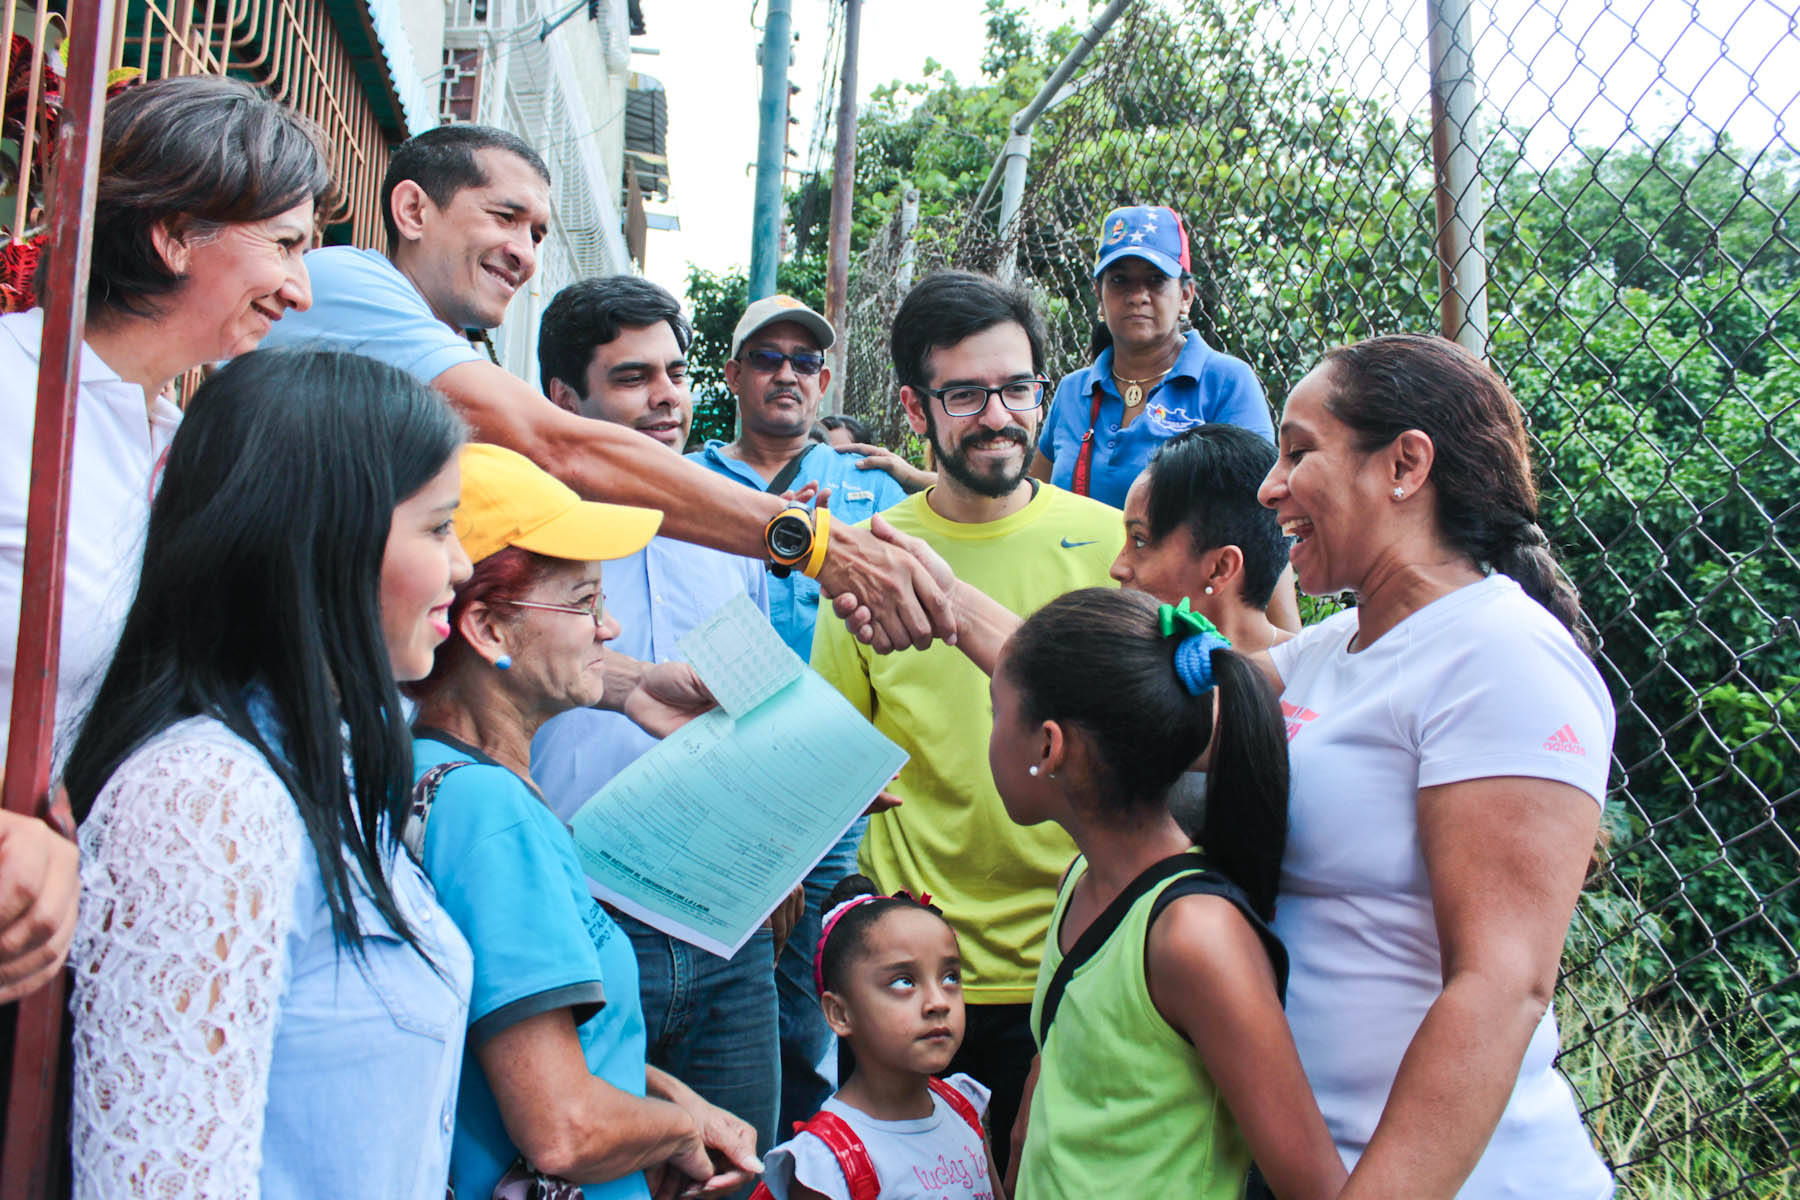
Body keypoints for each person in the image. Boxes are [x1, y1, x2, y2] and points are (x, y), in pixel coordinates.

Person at [259, 124, 952, 654]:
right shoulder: (346, 282)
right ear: (413, 210)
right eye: (505, 218)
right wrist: (814, 543)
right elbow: (557, 447)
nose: (525, 254)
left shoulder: (720, 521)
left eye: (536, 233)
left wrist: (630, 688)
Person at [63, 350, 473, 1198]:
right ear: (323, 540)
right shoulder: (208, 802)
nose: (463, 564)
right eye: (438, 528)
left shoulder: (325, 764)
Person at [1256, 332, 1614, 1195]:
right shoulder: (1333, 646)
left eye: (1299, 452)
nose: (1271, 487)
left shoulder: (1501, 657)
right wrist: (941, 598)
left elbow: (1500, 988)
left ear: (1405, 465)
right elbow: (1145, 712)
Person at [0, 76, 328, 999]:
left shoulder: (176, 443)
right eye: (288, 245)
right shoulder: (12, 394)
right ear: (176, 232)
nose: (301, 290)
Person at [810, 270, 1122, 1170]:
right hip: (912, 981)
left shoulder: (1108, 545)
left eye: (1018, 388)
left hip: (1081, 960)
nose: (999, 415)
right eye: (966, 394)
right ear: (915, 408)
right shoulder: (871, 562)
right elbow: (836, 755)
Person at [408, 443, 762, 1200]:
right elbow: (563, 1125)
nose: (611, 627)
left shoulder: (427, 772)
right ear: (489, 630)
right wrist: (678, 1132)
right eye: (583, 602)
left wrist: (663, 1096)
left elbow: (539, 1047)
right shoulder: (492, 814)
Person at [530, 275, 784, 1186]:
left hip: (726, 926)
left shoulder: (732, 528)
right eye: (634, 377)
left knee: (735, 1168)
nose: (668, 396)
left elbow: (751, 707)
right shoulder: (517, 535)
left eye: (675, 371)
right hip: (578, 919)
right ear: (566, 399)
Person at [990, 587, 1345, 1200]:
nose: (990, 729)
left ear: (1049, 746)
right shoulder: (1083, 880)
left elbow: (1313, 1185)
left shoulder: (1192, 938)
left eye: (994, 710)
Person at [688, 293, 910, 1133]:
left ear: (824, 383)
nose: (788, 374)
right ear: (735, 374)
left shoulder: (870, 488)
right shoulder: (690, 479)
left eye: (806, 362)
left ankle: (798, 1155)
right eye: (768, 359)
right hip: (713, 763)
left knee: (810, 991)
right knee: (715, 968)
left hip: (828, 773)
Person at [757, 875, 1005, 1200]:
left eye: (950, 977)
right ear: (839, 1014)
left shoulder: (962, 1109)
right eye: (903, 982)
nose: (938, 1003)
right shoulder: (826, 1165)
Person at [1031, 204, 1271, 509]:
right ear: (1099, 296)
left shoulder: (1226, 383)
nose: (1138, 296)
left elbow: (1256, 514)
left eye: (1156, 280)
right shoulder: (1071, 391)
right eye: (1119, 280)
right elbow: (1035, 504)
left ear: (1186, 296)